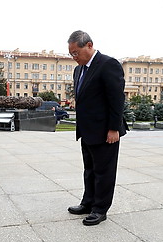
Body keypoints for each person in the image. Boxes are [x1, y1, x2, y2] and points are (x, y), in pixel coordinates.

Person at [67, 30, 129, 226]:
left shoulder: (108, 64)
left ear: (89, 45)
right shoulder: (78, 70)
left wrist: (114, 129)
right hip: (87, 130)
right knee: (90, 170)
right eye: (71, 54)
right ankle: (88, 202)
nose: (74, 57)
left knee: (104, 171)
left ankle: (100, 209)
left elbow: (117, 99)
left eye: (76, 53)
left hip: (105, 131)